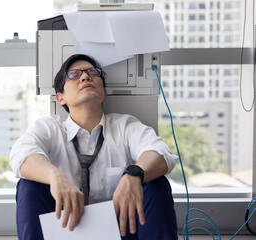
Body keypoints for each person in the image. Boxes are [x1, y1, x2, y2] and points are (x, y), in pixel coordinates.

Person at [10, 54, 178, 240]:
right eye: (74, 75)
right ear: (60, 98)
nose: (85, 77)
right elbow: (21, 154)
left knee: (156, 183)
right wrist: (55, 176)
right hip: (65, 228)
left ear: (104, 93)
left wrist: (134, 173)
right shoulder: (49, 128)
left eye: (92, 73)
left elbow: (161, 153)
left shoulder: (124, 126)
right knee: (29, 185)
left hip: (121, 229)